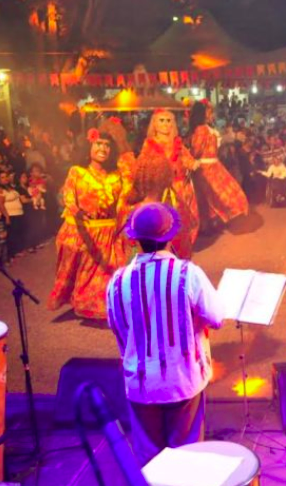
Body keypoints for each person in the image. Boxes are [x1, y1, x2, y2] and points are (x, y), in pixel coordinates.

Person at [106, 202, 224, 465]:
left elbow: (116, 327)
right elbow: (217, 319)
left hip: (140, 383)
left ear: (135, 240)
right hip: (182, 379)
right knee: (187, 457)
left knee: (150, 460)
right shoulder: (187, 274)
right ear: (171, 238)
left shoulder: (117, 281)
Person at [48, 129, 126, 319]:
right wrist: (75, 210)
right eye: (98, 143)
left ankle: (105, 307)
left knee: (108, 272)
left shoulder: (116, 175)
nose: (103, 148)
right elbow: (67, 195)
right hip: (84, 232)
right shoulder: (77, 172)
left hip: (109, 232)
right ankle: (86, 305)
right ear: (89, 146)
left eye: (107, 145)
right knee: (84, 274)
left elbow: (127, 199)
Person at [139, 109, 200, 259]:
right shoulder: (149, 144)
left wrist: (194, 164)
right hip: (160, 192)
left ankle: (181, 259)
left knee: (183, 227)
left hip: (181, 190)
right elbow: (143, 167)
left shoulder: (178, 143)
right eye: (161, 120)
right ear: (154, 124)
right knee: (162, 226)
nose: (165, 124)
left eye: (168, 120)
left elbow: (190, 162)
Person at [188, 101, 249, 227]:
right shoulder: (202, 129)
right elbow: (198, 150)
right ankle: (208, 224)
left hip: (211, 167)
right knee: (212, 195)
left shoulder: (206, 129)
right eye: (209, 112)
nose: (212, 114)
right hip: (207, 168)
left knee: (213, 195)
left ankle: (210, 223)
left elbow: (198, 150)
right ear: (203, 114)